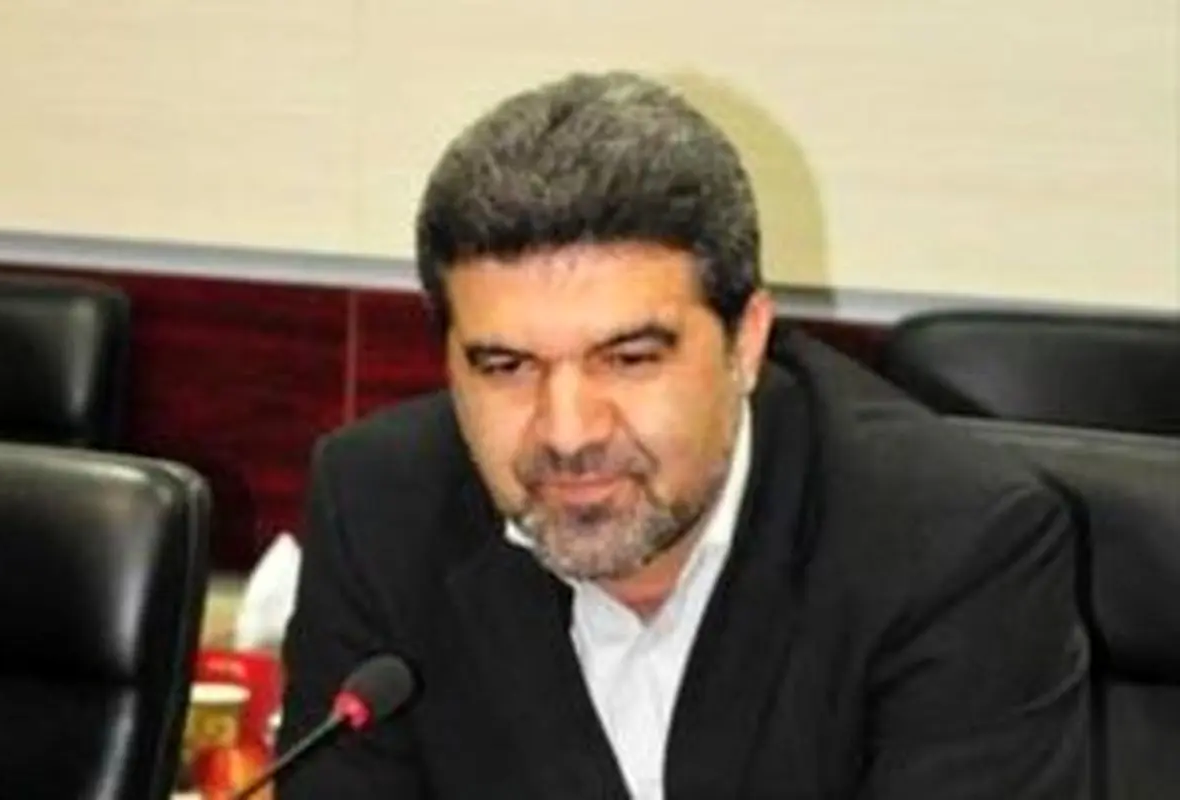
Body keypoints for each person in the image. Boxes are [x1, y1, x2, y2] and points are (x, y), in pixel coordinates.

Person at [276, 71, 1089, 799]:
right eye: (507, 366)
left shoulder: (948, 545)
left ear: (747, 341)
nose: (568, 432)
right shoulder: (381, 505)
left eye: (629, 359)